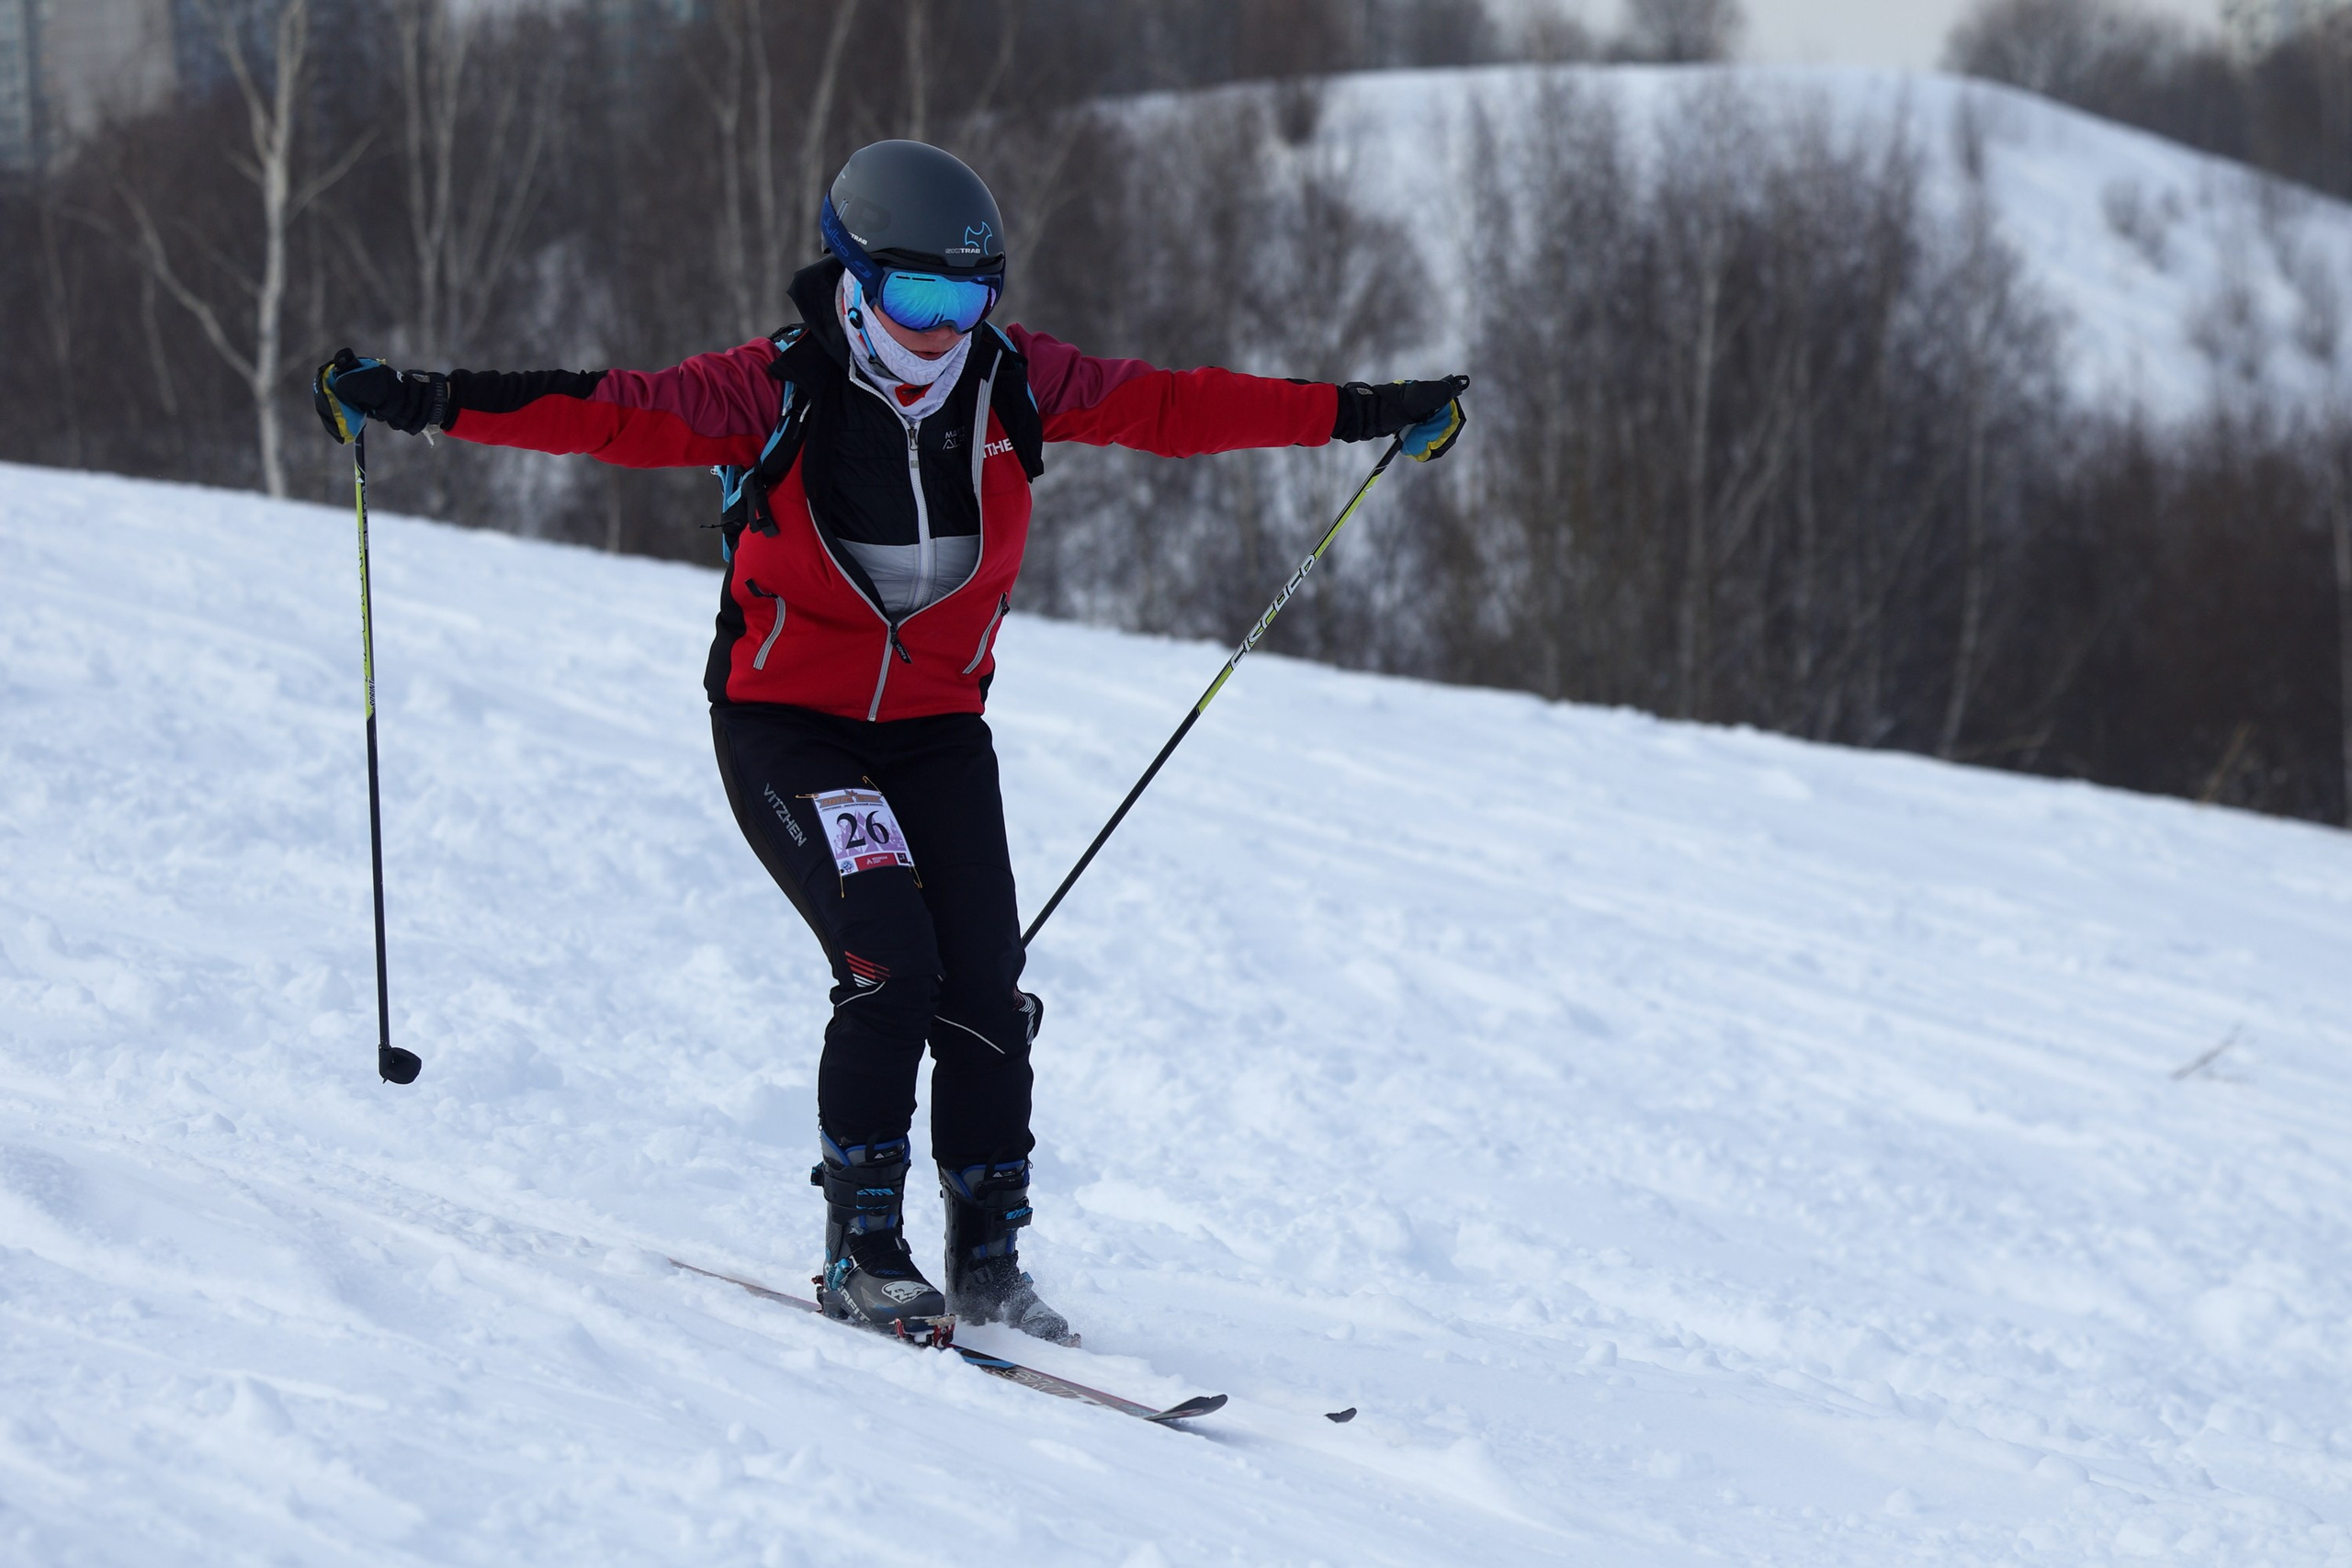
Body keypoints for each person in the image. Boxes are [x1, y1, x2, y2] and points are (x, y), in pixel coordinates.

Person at [315, 140, 1466, 1347]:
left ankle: (989, 1265)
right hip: (787, 727)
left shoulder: (1017, 382)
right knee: (888, 958)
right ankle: (864, 1250)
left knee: (983, 989)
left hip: (934, 735)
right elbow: (606, 413)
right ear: (854, 281)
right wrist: (424, 398)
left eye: (967, 300)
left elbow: (1181, 406)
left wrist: (1368, 416)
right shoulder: (773, 389)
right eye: (914, 297)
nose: (940, 328)